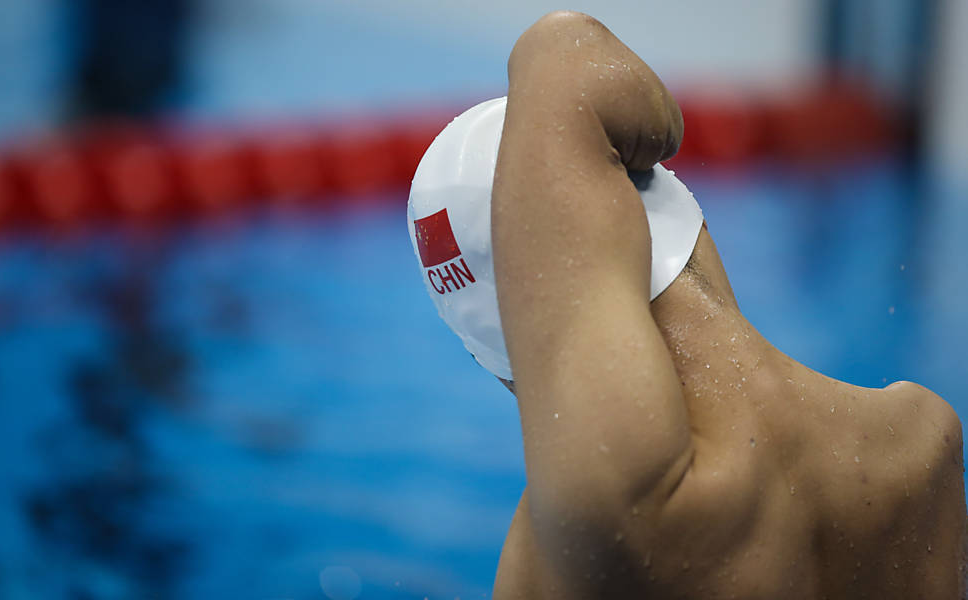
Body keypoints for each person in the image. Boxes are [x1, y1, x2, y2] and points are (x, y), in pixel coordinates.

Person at [410, 11, 966, 599]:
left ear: (503, 356)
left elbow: (558, 56)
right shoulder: (923, 444)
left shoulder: (591, 527)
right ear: (681, 211)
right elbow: (565, 52)